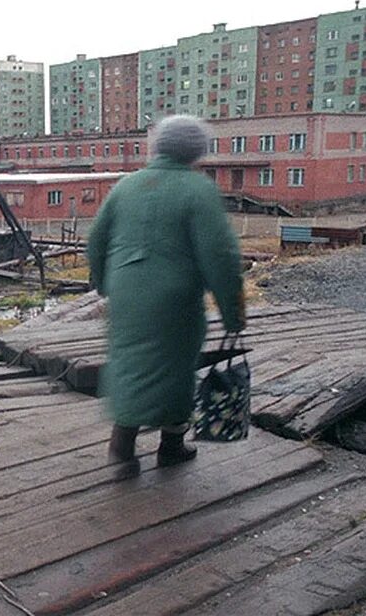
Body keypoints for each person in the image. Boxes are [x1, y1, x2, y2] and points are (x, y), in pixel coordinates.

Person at [87, 115, 246, 480]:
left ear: (157, 145)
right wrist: (233, 314)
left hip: (125, 294)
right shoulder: (198, 189)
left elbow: (96, 240)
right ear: (196, 151)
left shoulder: (127, 185)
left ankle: (122, 449)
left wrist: (104, 284)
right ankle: (171, 446)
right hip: (176, 301)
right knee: (177, 368)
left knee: (128, 362)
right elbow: (221, 258)